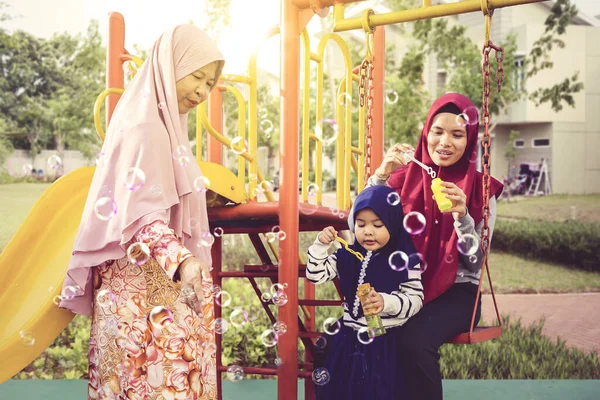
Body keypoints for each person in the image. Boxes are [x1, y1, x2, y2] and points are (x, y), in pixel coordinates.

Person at [59, 24, 224, 400]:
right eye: (196, 75)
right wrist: (182, 260)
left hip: (157, 287)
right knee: (156, 382)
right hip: (147, 289)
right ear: (169, 66)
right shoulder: (145, 128)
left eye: (210, 84)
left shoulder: (161, 127)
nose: (201, 90)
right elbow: (142, 216)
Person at [367, 92, 503, 400]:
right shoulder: (400, 180)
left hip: (458, 293)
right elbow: (363, 223)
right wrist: (379, 177)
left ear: (469, 140)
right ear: (426, 132)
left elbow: (476, 263)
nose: (445, 142)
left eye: (457, 134)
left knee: (413, 343)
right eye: (437, 131)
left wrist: (462, 217)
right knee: (367, 339)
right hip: (405, 288)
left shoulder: (483, 190)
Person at [306, 185, 424, 400]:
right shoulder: (346, 255)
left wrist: (385, 302)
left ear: (394, 225)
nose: (368, 231)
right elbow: (316, 275)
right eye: (360, 225)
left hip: (385, 344)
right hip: (349, 339)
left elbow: (415, 299)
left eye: (378, 225)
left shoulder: (405, 258)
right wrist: (320, 246)